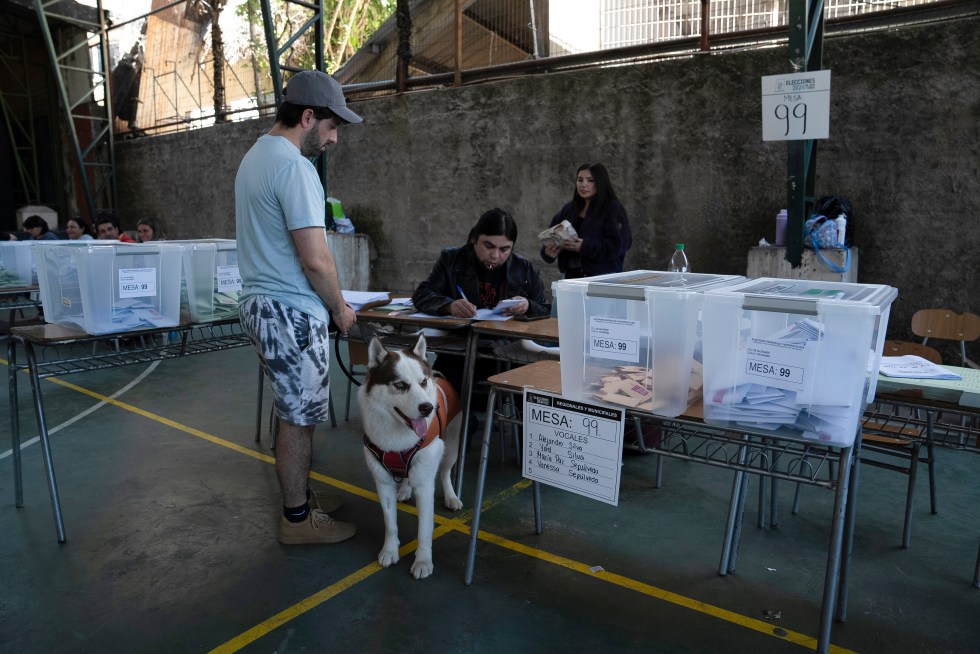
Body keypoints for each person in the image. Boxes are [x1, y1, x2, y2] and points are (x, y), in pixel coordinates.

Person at [235, 70, 361, 546]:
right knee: (301, 417)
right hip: (289, 309)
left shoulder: (255, 157)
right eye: (332, 127)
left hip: (263, 304)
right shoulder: (293, 166)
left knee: (290, 409)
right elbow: (315, 257)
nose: (332, 139)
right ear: (308, 117)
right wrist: (341, 307)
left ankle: (300, 497)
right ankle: (296, 521)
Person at [412, 207, 551, 394]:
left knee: (527, 389)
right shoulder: (452, 260)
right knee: (439, 390)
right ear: (474, 239)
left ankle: (496, 420)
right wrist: (449, 305)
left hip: (509, 349)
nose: (495, 256)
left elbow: (545, 310)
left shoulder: (525, 269)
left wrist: (528, 306)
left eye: (504, 249)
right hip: (462, 347)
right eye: (488, 246)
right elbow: (422, 294)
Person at [540, 162, 632, 278]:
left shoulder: (612, 208)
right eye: (580, 180)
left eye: (590, 180)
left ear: (600, 183)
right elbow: (551, 236)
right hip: (572, 278)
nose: (583, 185)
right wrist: (548, 252)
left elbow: (620, 245)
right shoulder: (569, 209)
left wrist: (585, 247)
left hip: (602, 278)